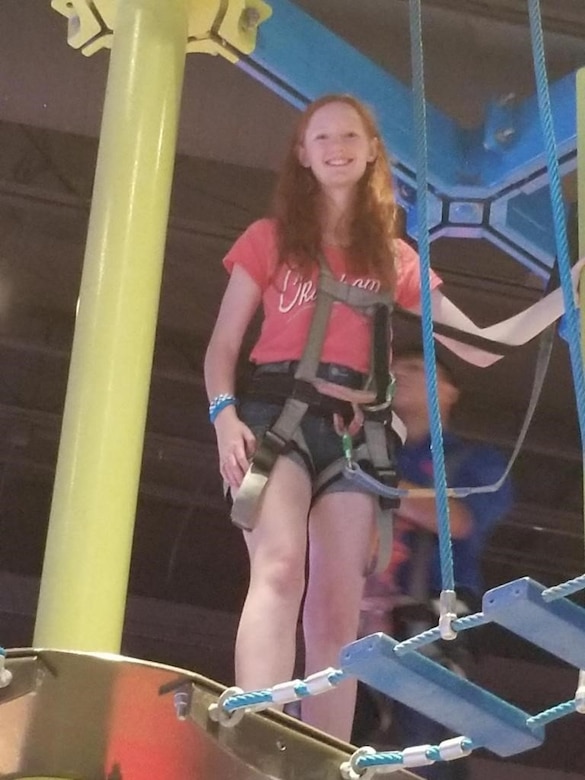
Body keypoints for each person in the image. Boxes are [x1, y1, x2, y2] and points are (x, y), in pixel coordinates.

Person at [203, 93, 582, 743]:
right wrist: (223, 416)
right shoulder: (268, 240)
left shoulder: (394, 258)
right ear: (302, 153)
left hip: (356, 435)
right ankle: (259, 723)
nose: (336, 147)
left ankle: (322, 749)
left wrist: (565, 294)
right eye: (321, 138)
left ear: (372, 149)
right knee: (278, 566)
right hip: (275, 414)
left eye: (350, 136)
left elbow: (481, 348)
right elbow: (222, 346)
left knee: (336, 605)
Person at [355, 348, 512, 776]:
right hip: (358, 624)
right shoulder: (371, 450)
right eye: (392, 370)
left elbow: (458, 519)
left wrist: (375, 480)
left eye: (413, 369)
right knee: (334, 748)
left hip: (431, 623)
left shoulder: (474, 462)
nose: (398, 376)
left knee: (425, 755)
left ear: (449, 391)